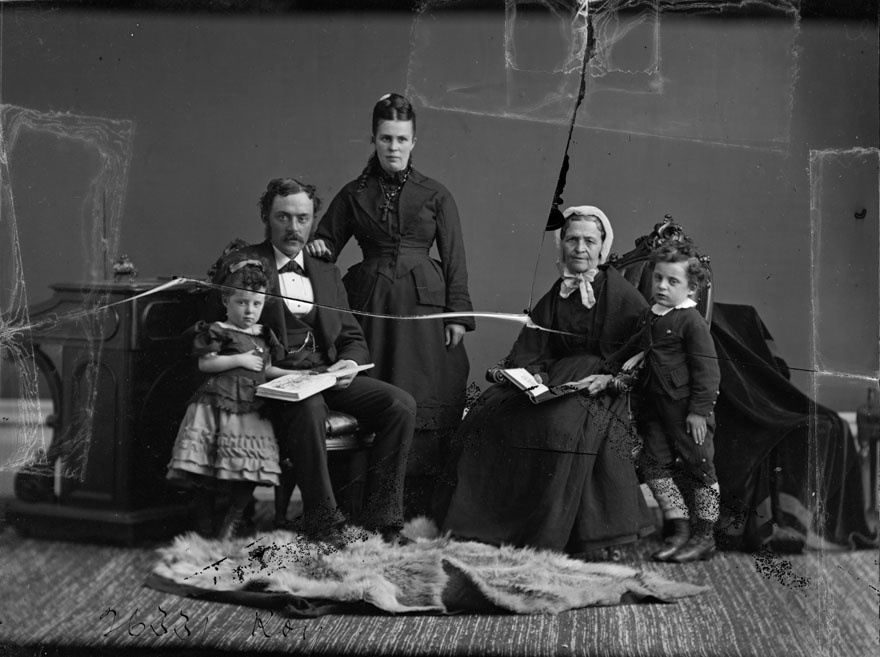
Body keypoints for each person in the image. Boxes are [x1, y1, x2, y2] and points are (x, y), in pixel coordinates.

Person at [434, 206, 653, 556]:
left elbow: (644, 347)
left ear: (602, 248)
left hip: (596, 382)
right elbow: (533, 343)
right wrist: (532, 372)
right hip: (555, 375)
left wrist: (611, 376)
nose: (580, 248)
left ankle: (551, 533)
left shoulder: (620, 293)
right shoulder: (559, 290)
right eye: (572, 240)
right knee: (489, 413)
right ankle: (487, 528)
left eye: (589, 241)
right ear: (561, 244)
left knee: (561, 426)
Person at [212, 177, 416, 544]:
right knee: (307, 408)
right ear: (266, 218)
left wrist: (348, 365)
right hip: (271, 382)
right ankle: (325, 522)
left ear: (312, 219)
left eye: (302, 218)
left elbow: (352, 338)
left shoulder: (326, 271)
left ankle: (382, 521)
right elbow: (230, 332)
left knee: (400, 405)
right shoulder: (246, 265)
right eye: (283, 217)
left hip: (324, 376)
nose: (294, 228)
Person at [308, 93, 474, 518]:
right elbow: (324, 243)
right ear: (374, 140)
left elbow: (455, 255)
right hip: (372, 307)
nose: (393, 148)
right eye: (385, 139)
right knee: (377, 394)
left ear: (414, 141)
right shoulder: (352, 194)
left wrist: (457, 315)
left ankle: (414, 504)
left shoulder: (436, 194)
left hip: (424, 310)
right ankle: (365, 502)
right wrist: (321, 244)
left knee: (425, 392)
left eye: (401, 139)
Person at [606, 242, 721, 562]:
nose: (662, 287)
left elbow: (708, 372)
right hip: (654, 409)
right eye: (658, 279)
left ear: (690, 287)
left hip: (687, 412)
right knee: (654, 465)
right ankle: (680, 528)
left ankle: (704, 535)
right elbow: (642, 342)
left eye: (673, 282)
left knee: (701, 469)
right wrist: (620, 362)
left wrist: (699, 412)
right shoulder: (651, 314)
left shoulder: (691, 321)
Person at [166, 259, 285, 540]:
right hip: (218, 404)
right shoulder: (217, 329)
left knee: (250, 467)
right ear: (226, 300)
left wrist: (301, 374)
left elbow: (266, 369)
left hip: (252, 407)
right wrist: (240, 359)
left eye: (256, 304)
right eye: (242, 303)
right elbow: (206, 365)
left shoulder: (264, 334)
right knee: (208, 466)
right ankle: (204, 525)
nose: (249, 311)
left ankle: (231, 522)